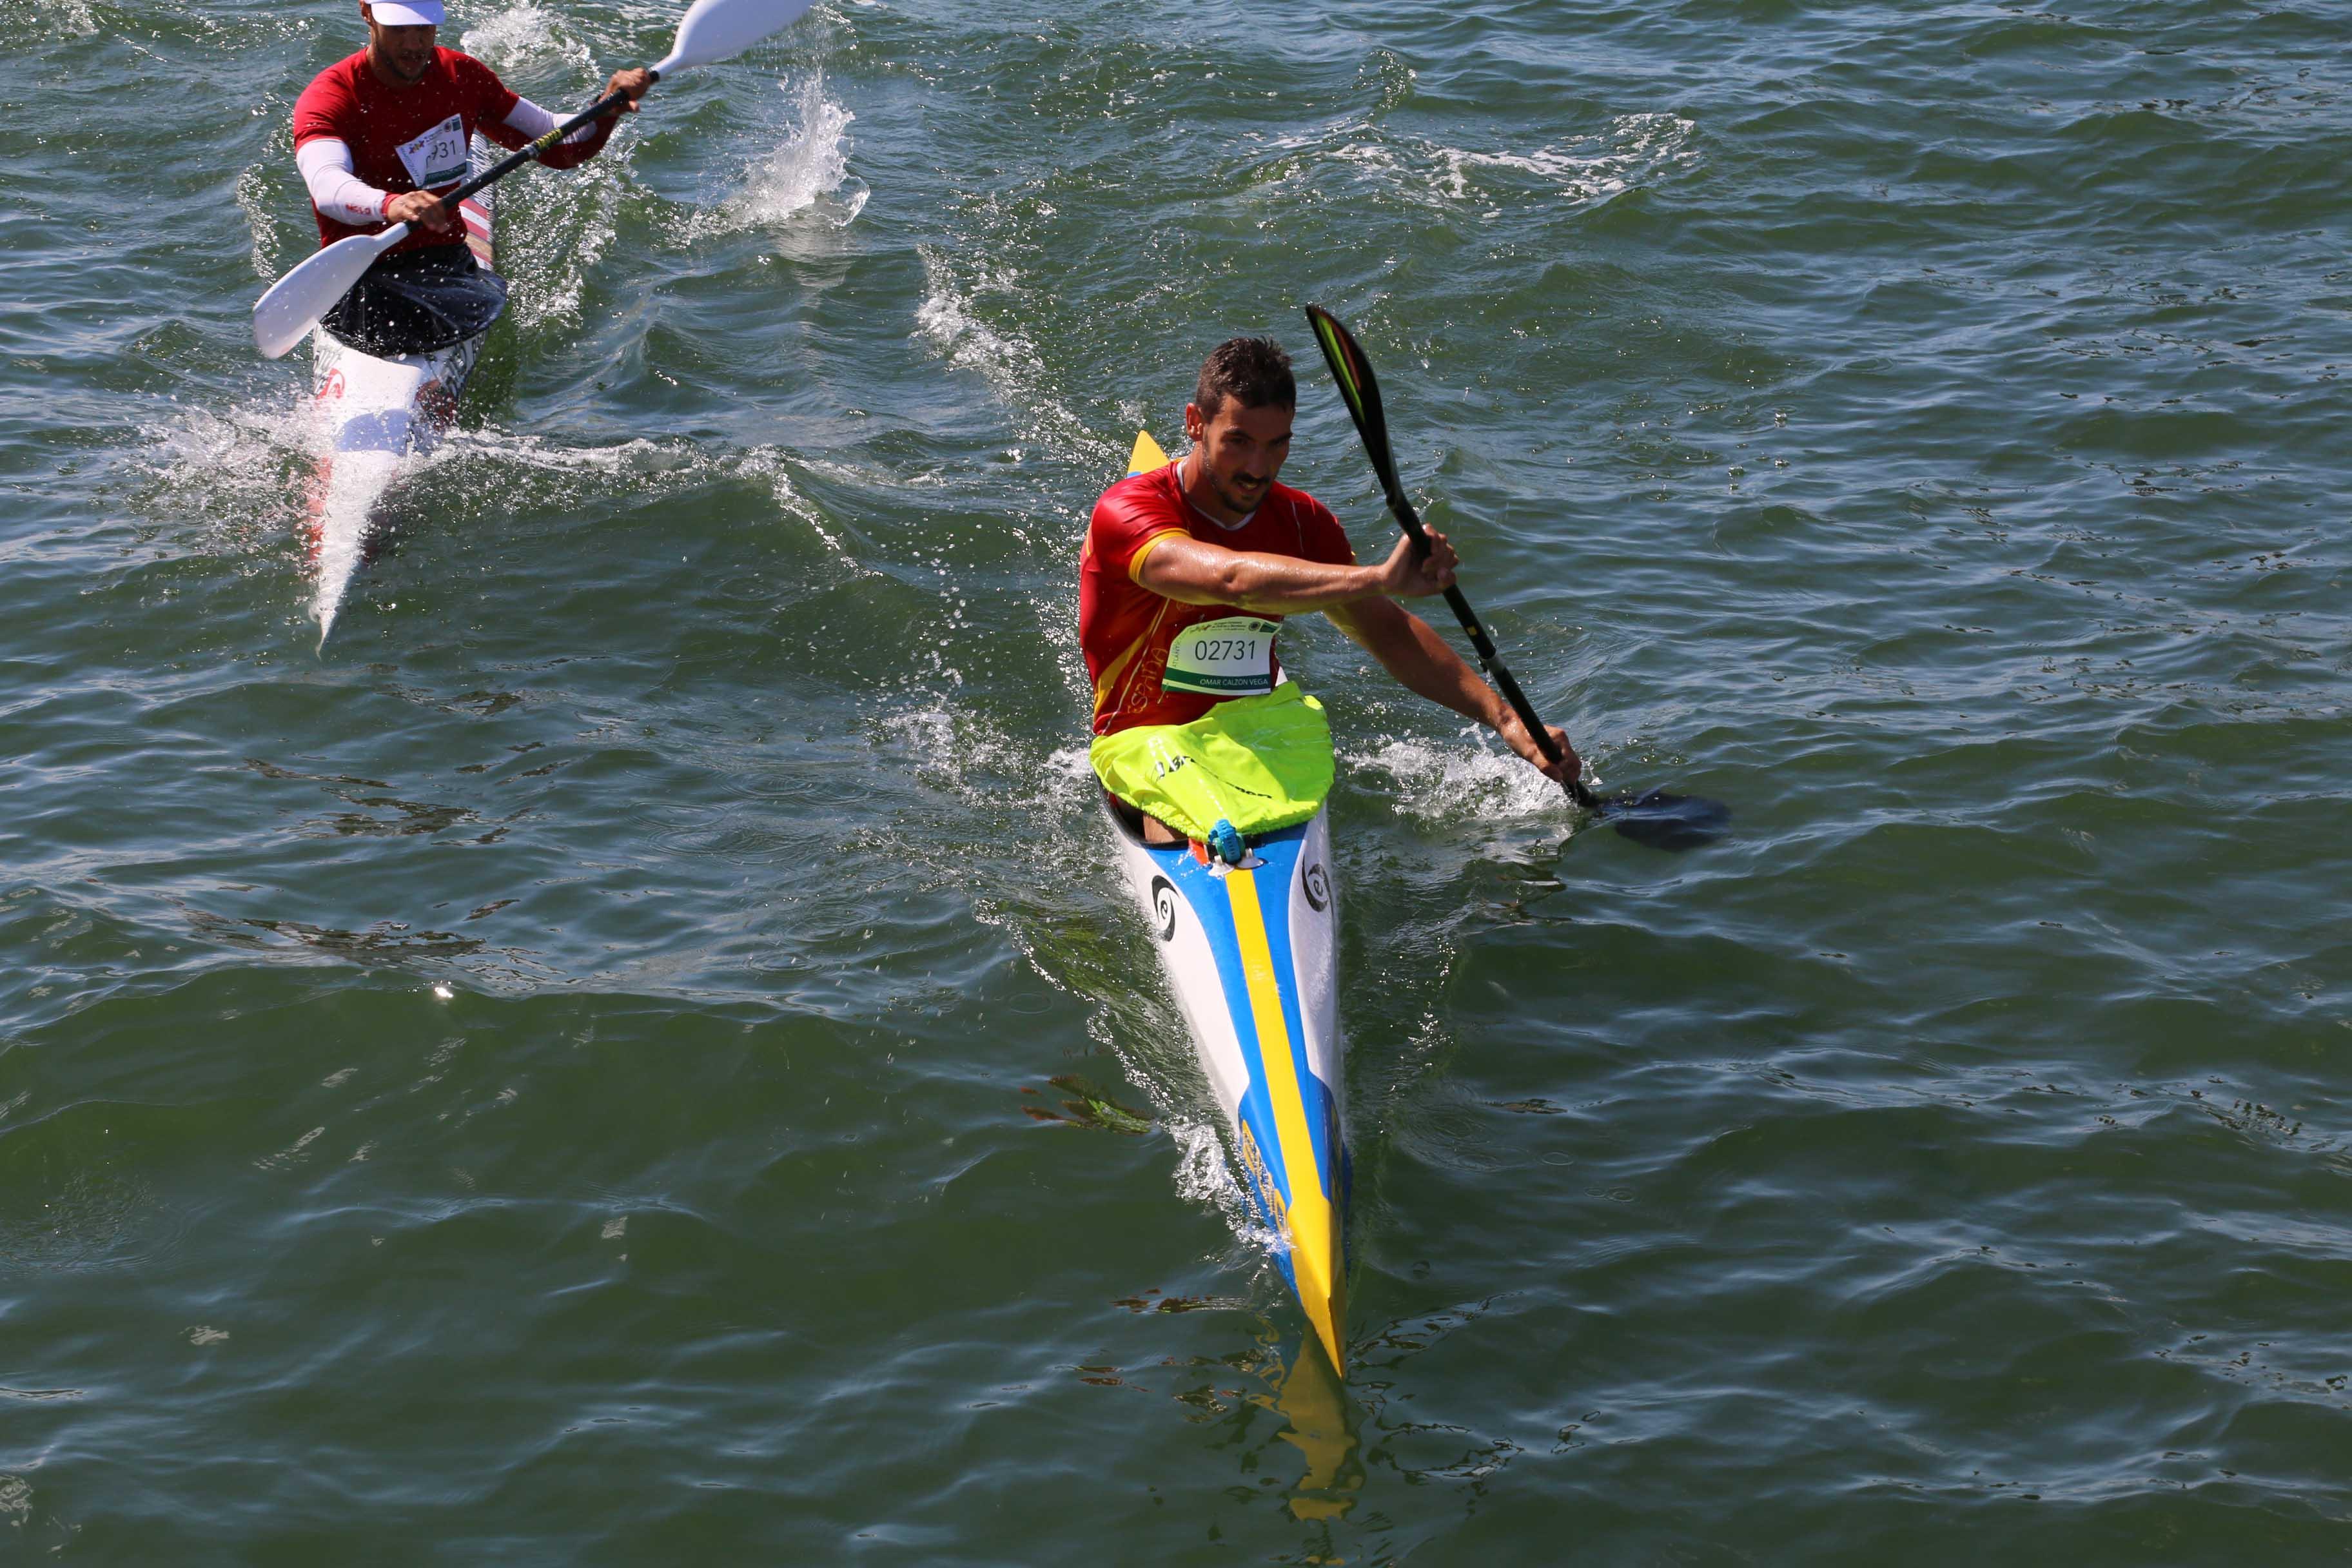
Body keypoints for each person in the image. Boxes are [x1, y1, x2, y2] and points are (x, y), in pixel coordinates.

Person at [1081, 335, 1579, 845]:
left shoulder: (1303, 522)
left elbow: (1389, 632)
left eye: (1277, 444)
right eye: (1239, 441)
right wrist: (1380, 577)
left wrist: (1505, 720)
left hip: (1256, 724)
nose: (1258, 468)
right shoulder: (1128, 513)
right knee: (1189, 832)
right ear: (1195, 423)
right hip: (1144, 736)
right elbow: (1231, 580)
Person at [289, 0, 651, 354]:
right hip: (364, 274)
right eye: (399, 29)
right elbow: (327, 185)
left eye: (425, 28)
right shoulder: (331, 96)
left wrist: (606, 106)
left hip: (444, 263)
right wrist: (391, 204)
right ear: (367, 13)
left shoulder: (461, 76)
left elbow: (559, 144)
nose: (415, 44)